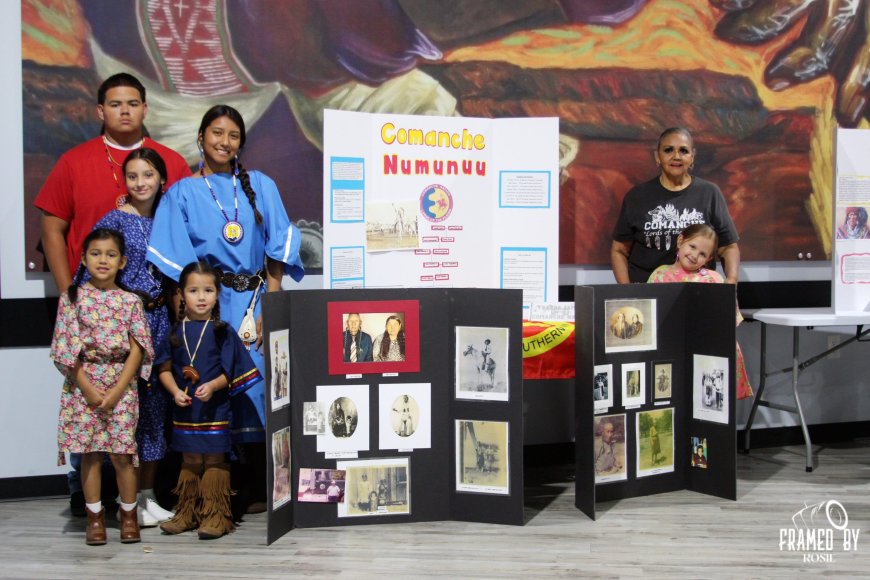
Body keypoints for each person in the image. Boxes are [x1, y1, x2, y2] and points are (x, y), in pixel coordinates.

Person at [34, 72, 189, 516]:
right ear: (100, 111)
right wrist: (72, 296)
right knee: (94, 400)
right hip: (95, 309)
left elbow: (179, 239)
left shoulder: (173, 162)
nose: (125, 111)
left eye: (133, 103)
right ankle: (88, 497)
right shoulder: (74, 161)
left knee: (148, 405)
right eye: (115, 104)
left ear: (145, 108)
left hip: (155, 313)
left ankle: (139, 497)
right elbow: (52, 228)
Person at [147, 104, 304, 513]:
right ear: (201, 137)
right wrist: (190, 316)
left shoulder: (261, 185)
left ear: (240, 143)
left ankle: (255, 488)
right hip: (208, 308)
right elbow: (176, 265)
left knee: (256, 390)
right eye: (216, 133)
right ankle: (210, 493)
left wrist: (271, 298)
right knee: (210, 392)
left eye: (233, 135)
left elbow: (279, 245)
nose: (224, 141)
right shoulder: (181, 193)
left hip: (252, 307)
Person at [49, 228, 153, 545]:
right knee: (91, 454)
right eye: (95, 254)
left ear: (121, 262)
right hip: (84, 386)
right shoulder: (72, 299)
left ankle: (128, 515)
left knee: (123, 455)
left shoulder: (131, 301)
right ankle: (95, 518)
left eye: (110, 255)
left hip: (121, 386)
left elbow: (139, 348)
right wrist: (91, 391)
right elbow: (65, 350)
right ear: (83, 258)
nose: (103, 260)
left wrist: (119, 389)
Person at [91, 148, 174, 528]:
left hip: (161, 319)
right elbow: (92, 273)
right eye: (133, 176)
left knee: (156, 412)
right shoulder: (115, 220)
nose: (140, 183)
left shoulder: (170, 217)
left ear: (160, 178)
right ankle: (127, 500)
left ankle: (148, 496)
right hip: (127, 323)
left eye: (148, 175)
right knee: (129, 414)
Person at [156, 261, 262, 539]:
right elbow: (164, 370)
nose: (201, 297)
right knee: (189, 457)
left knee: (214, 458)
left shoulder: (222, 331)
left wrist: (213, 386)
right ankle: (187, 513)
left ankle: (217, 516)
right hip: (186, 411)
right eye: (193, 290)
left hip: (214, 410)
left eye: (208, 290)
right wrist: (175, 391)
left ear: (217, 294)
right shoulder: (174, 333)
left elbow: (234, 372)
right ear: (180, 294)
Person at [611, 127, 740, 284]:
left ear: (692, 156)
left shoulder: (709, 193)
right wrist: (628, 292)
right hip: (648, 294)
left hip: (697, 293)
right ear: (657, 156)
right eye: (668, 150)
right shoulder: (637, 196)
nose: (676, 156)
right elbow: (619, 250)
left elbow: (728, 247)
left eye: (684, 151)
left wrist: (731, 280)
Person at [648, 224, 753, 400]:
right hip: (673, 350)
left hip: (711, 352)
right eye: (692, 246)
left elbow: (729, 320)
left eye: (703, 254)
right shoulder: (660, 275)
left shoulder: (715, 280)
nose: (695, 255)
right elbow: (651, 317)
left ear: (709, 258)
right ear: (681, 241)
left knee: (710, 403)